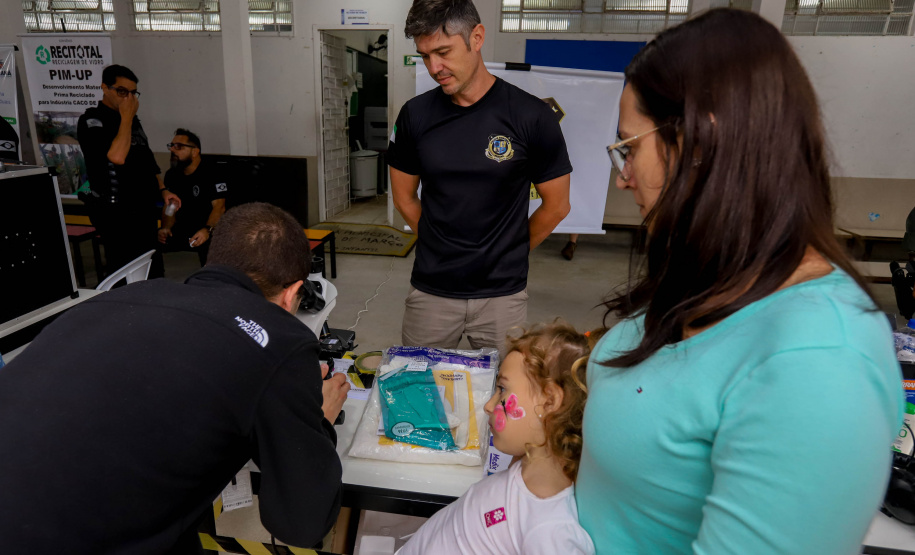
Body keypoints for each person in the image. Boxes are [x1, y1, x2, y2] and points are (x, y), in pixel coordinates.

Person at [576, 9, 904, 554]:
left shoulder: (818, 361)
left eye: (629, 148)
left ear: (701, 142)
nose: (622, 174)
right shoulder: (716, 277)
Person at [0, 202, 350, 554]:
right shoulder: (280, 339)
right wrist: (318, 421)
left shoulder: (119, 298)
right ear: (293, 293)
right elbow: (302, 523)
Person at [388, 0, 573, 354]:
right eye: (425, 56)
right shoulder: (415, 116)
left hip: (502, 296)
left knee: (504, 398)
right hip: (431, 291)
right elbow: (404, 197)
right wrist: (438, 245)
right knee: (418, 393)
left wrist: (511, 252)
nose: (434, 67)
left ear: (477, 37)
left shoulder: (532, 116)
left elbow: (557, 205)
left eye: (443, 52)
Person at [398, 322, 594, 554]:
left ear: (550, 402)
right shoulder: (525, 464)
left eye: (502, 389)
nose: (489, 406)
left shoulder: (551, 533)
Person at [77, 64, 180, 276]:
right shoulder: (92, 120)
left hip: (142, 205)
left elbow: (146, 159)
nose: (128, 98)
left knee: (151, 262)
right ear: (105, 88)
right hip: (115, 210)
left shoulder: (133, 120)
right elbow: (117, 156)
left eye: (133, 93)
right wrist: (125, 118)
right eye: (122, 91)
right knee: (125, 266)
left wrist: (163, 190)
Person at [153, 128, 227, 277]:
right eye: (171, 146)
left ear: (195, 151)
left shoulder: (212, 171)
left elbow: (219, 207)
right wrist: (166, 227)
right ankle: (155, 282)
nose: (173, 150)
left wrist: (207, 230)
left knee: (213, 249)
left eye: (179, 146)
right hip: (183, 227)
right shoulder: (172, 175)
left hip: (207, 228)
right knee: (149, 241)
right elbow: (170, 206)